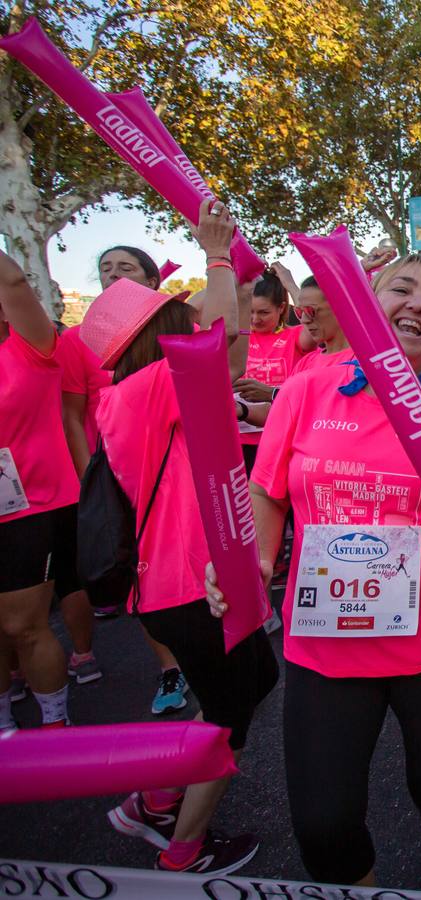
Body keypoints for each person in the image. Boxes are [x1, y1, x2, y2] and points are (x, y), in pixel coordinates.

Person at [209, 251, 421, 892]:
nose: (418, 304)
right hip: (327, 647)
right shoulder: (306, 388)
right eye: (401, 289)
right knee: (323, 828)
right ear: (368, 307)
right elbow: (267, 489)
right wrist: (255, 562)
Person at [91, 200, 277, 875]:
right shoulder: (147, 388)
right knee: (233, 712)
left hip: (188, 582)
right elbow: (224, 344)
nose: (193, 323)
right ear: (162, 332)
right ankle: (182, 850)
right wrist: (219, 255)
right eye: (181, 318)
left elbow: (227, 368)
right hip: (187, 585)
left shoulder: (137, 393)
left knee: (253, 683)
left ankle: (155, 799)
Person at [53, 246, 192, 708]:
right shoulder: (79, 343)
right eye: (104, 268)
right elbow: (73, 415)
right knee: (145, 572)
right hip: (123, 475)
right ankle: (171, 670)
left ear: (152, 282)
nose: (112, 274)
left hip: (171, 471)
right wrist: (94, 484)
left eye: (125, 268)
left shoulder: (167, 351)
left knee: (174, 571)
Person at [0, 248, 80, 733]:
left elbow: (12, 282)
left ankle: (55, 724)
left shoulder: (30, 348)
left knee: (22, 626)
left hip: (31, 507)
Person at [231, 268, 316, 469]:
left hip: (280, 437)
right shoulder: (238, 339)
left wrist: (289, 283)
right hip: (238, 441)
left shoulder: (294, 337)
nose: (255, 319)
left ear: (281, 308)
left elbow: (314, 320)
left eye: (263, 312)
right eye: (250, 311)